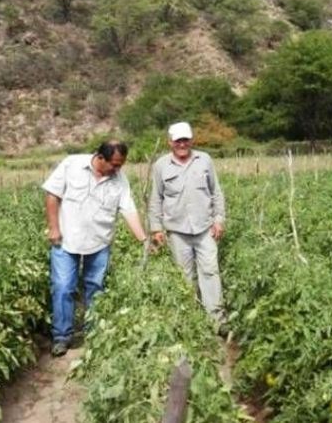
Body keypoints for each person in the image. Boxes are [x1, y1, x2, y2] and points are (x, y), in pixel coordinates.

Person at [42, 140, 148, 356]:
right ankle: (62, 336)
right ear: (100, 157)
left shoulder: (119, 179)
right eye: (115, 164)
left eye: (121, 165)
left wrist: (144, 239)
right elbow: (52, 195)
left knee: (95, 287)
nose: (118, 169)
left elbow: (128, 210)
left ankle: (93, 333)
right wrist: (53, 228)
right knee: (63, 287)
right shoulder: (72, 165)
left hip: (99, 242)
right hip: (67, 240)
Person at [147, 122, 228, 336]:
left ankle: (216, 320)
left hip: (205, 228)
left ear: (192, 140)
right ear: (170, 142)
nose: (182, 144)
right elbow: (156, 199)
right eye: (177, 140)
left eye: (186, 140)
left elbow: (216, 191)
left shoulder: (205, 160)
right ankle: (191, 321)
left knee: (210, 272)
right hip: (177, 231)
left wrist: (219, 219)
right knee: (185, 276)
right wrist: (156, 228)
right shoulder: (161, 166)